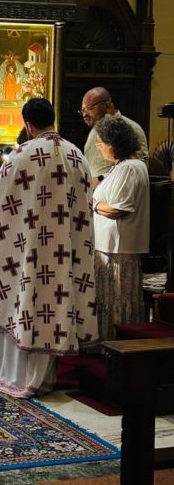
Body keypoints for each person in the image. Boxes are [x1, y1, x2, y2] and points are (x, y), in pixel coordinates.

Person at [0, 98, 98, 398]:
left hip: (31, 248)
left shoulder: (22, 154)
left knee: (27, 303)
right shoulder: (76, 155)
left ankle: (20, 375)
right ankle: (44, 375)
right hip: (65, 249)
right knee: (55, 303)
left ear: (28, 125)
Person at [92, 115, 150, 341]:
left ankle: (116, 347)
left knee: (117, 302)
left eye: (101, 143)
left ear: (114, 143)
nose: (99, 148)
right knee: (108, 301)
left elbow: (119, 209)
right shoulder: (120, 167)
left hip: (119, 251)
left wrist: (93, 204)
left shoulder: (130, 168)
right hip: (108, 248)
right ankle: (106, 344)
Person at [80, 87, 148, 187]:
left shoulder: (130, 128)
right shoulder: (95, 130)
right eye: (83, 110)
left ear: (107, 105)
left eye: (90, 108)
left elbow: (137, 170)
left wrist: (101, 179)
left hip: (117, 191)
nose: (85, 114)